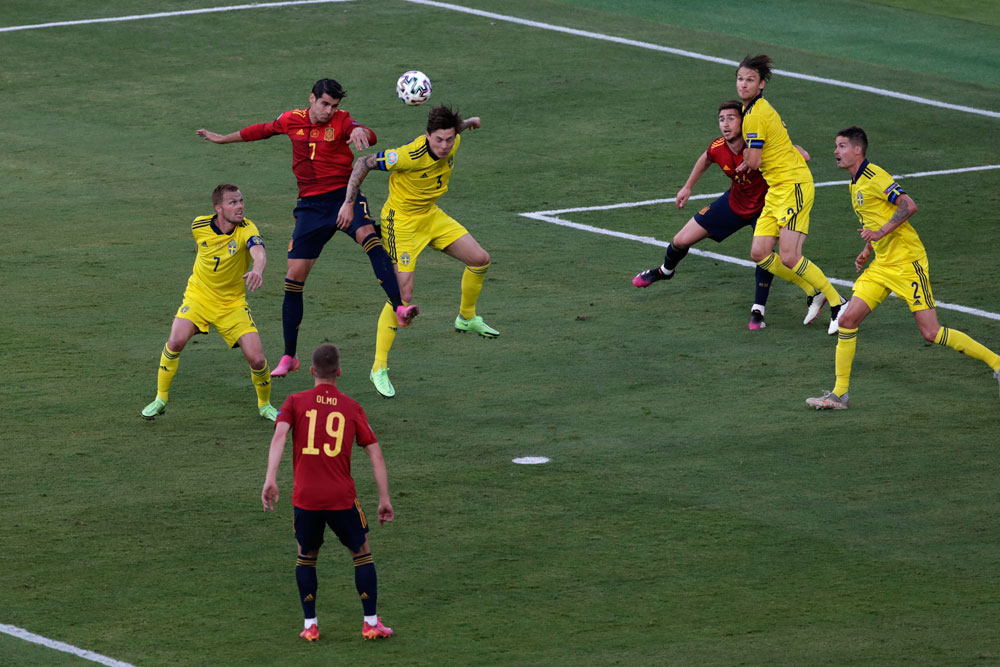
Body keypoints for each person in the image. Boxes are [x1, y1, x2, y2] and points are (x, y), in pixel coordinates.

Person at [196, 78, 419, 379]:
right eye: (325, 104)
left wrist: (358, 130)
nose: (329, 111)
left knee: (369, 237)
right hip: (310, 208)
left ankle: (399, 307)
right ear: (312, 99)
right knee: (293, 278)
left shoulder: (342, 121)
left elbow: (366, 133)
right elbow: (259, 131)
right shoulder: (292, 120)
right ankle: (289, 355)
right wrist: (222, 138)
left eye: (334, 106)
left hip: (343, 197)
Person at [806, 127, 1000, 409]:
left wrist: (879, 232)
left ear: (858, 150)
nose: (836, 151)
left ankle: (996, 362)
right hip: (882, 265)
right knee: (847, 321)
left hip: (908, 263)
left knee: (930, 333)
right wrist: (867, 249)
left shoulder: (875, 177)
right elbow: (877, 219)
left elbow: (908, 205)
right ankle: (839, 395)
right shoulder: (854, 183)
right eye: (837, 146)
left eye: (842, 146)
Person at [336, 105, 497, 398]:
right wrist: (348, 203)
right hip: (402, 224)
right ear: (427, 136)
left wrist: (471, 122)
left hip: (431, 216)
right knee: (402, 296)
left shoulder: (453, 138)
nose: (445, 145)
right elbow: (363, 163)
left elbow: (457, 129)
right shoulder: (407, 155)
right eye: (438, 140)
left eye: (449, 139)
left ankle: (466, 317)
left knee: (480, 259)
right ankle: (378, 368)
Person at [632, 100, 816, 330]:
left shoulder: (760, 145)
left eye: (731, 118)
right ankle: (665, 271)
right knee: (680, 240)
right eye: (721, 119)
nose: (725, 124)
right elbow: (706, 158)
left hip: (765, 208)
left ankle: (758, 310)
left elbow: (801, 154)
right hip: (734, 202)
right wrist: (688, 187)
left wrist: (793, 151)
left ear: (744, 122)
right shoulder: (719, 147)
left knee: (763, 254)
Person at [261, 343, 395, 641]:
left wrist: (270, 478)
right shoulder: (351, 407)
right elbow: (375, 454)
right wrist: (384, 499)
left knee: (306, 556)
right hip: (340, 498)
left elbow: (279, 435)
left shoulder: (295, 401)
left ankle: (310, 626)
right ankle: (370, 623)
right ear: (339, 372)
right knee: (361, 553)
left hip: (306, 498)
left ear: (311, 371)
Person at [140, 184, 278, 420]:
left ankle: (265, 406)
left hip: (232, 303)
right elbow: (200, 247)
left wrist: (258, 270)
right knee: (175, 340)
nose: (240, 206)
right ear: (218, 208)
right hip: (199, 297)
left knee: (257, 358)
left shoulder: (247, 228)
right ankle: (160, 398)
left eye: (241, 201)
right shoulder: (199, 225)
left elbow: (259, 252)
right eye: (233, 202)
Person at [736, 54, 846, 335]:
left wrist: (745, 154)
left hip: (794, 185)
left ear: (761, 85)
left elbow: (755, 161)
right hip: (777, 188)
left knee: (789, 255)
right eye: (740, 79)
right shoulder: (752, 112)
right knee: (760, 252)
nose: (743, 84)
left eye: (750, 80)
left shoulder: (756, 115)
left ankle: (838, 303)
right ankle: (813, 290)